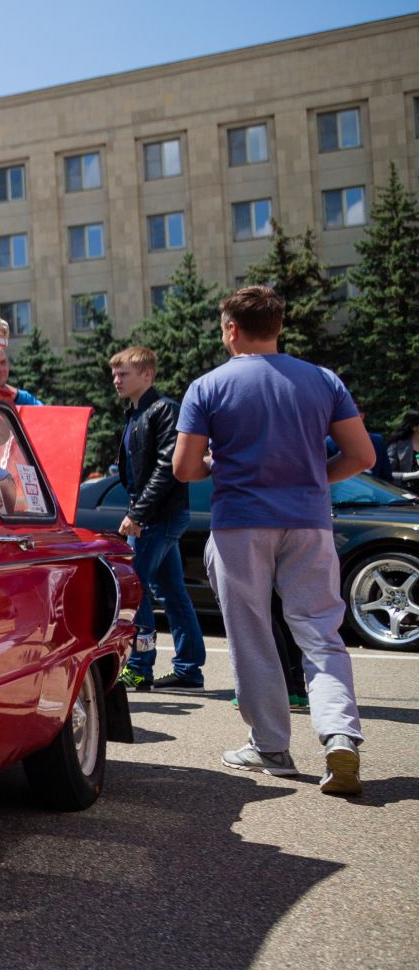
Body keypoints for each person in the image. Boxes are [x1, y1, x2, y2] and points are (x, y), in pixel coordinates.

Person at [173, 286, 376, 796]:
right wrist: (310, 478)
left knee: (251, 633)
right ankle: (340, 737)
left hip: (241, 522)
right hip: (308, 521)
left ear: (231, 329)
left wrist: (218, 465)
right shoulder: (323, 380)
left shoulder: (208, 386)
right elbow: (362, 456)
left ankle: (270, 748)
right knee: (320, 632)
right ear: (279, 326)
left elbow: (184, 467)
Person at [108, 347, 208, 692]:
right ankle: (189, 668)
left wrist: (137, 514)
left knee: (135, 587)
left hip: (158, 517)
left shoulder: (162, 409)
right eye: (115, 373)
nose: (116, 379)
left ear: (147, 375)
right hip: (153, 515)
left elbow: (167, 468)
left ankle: (139, 666)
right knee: (172, 592)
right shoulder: (136, 413)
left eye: (124, 374)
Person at [384, 407, 418, 488]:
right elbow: (386, 473)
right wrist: (413, 475)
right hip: (403, 494)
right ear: (414, 427)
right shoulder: (397, 446)